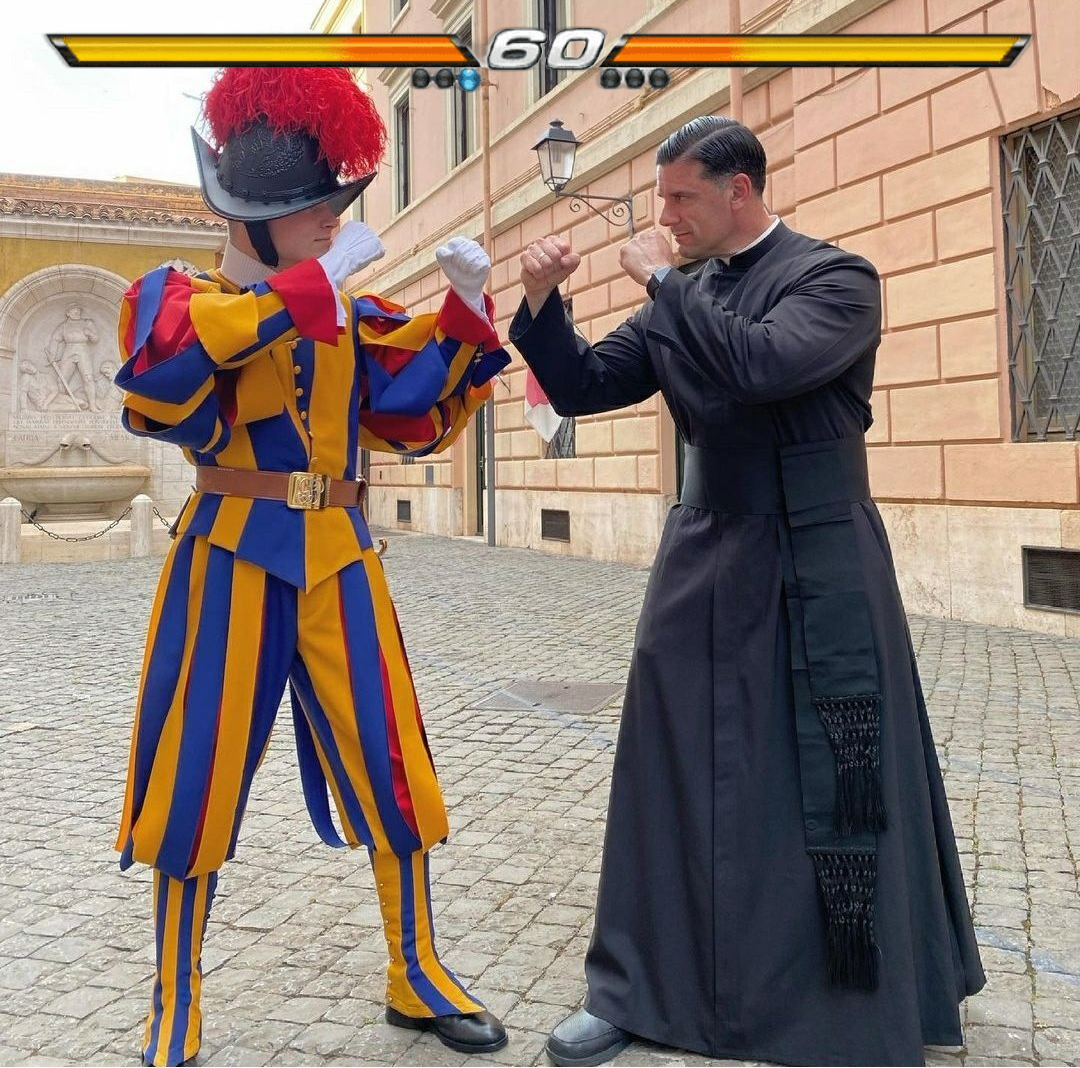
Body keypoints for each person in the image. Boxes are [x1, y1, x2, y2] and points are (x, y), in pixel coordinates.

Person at [510, 116, 984, 1067]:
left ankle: (848, 996)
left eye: (681, 197)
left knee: (835, 770)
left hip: (820, 553)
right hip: (704, 549)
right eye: (661, 200)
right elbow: (586, 385)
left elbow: (761, 365)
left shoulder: (835, 280)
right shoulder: (686, 293)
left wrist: (661, 284)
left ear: (740, 190)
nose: (665, 217)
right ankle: (643, 988)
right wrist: (540, 300)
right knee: (673, 764)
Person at [113, 67, 510, 1067]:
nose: (335, 221)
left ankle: (416, 971)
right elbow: (164, 382)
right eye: (315, 208)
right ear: (254, 219)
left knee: (391, 755)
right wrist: (306, 292)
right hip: (229, 556)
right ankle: (174, 1000)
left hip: (340, 554)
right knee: (195, 770)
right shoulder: (177, 299)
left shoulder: (342, 312)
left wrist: (466, 310)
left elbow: (410, 406)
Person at [48, 304, 100, 410]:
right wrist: (52, 354)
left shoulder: (87, 323)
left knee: (88, 378)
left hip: (83, 349)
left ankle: (92, 405)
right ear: (68, 313)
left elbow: (95, 339)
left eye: (78, 310)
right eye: (73, 310)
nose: (76, 312)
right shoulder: (64, 326)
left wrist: (89, 333)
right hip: (69, 350)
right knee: (62, 380)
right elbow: (55, 339)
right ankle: (63, 403)